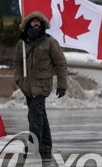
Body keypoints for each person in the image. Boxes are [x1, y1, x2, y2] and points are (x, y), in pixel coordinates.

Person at [13, 11, 68, 158]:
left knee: (34, 115)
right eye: (33, 22)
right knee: (40, 114)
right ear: (28, 24)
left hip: (42, 86)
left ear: (42, 24)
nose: (36, 24)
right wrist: (18, 79)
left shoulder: (50, 42)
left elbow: (60, 64)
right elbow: (17, 62)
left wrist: (62, 85)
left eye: (38, 22)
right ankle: (45, 146)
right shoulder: (22, 44)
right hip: (27, 87)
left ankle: (33, 145)